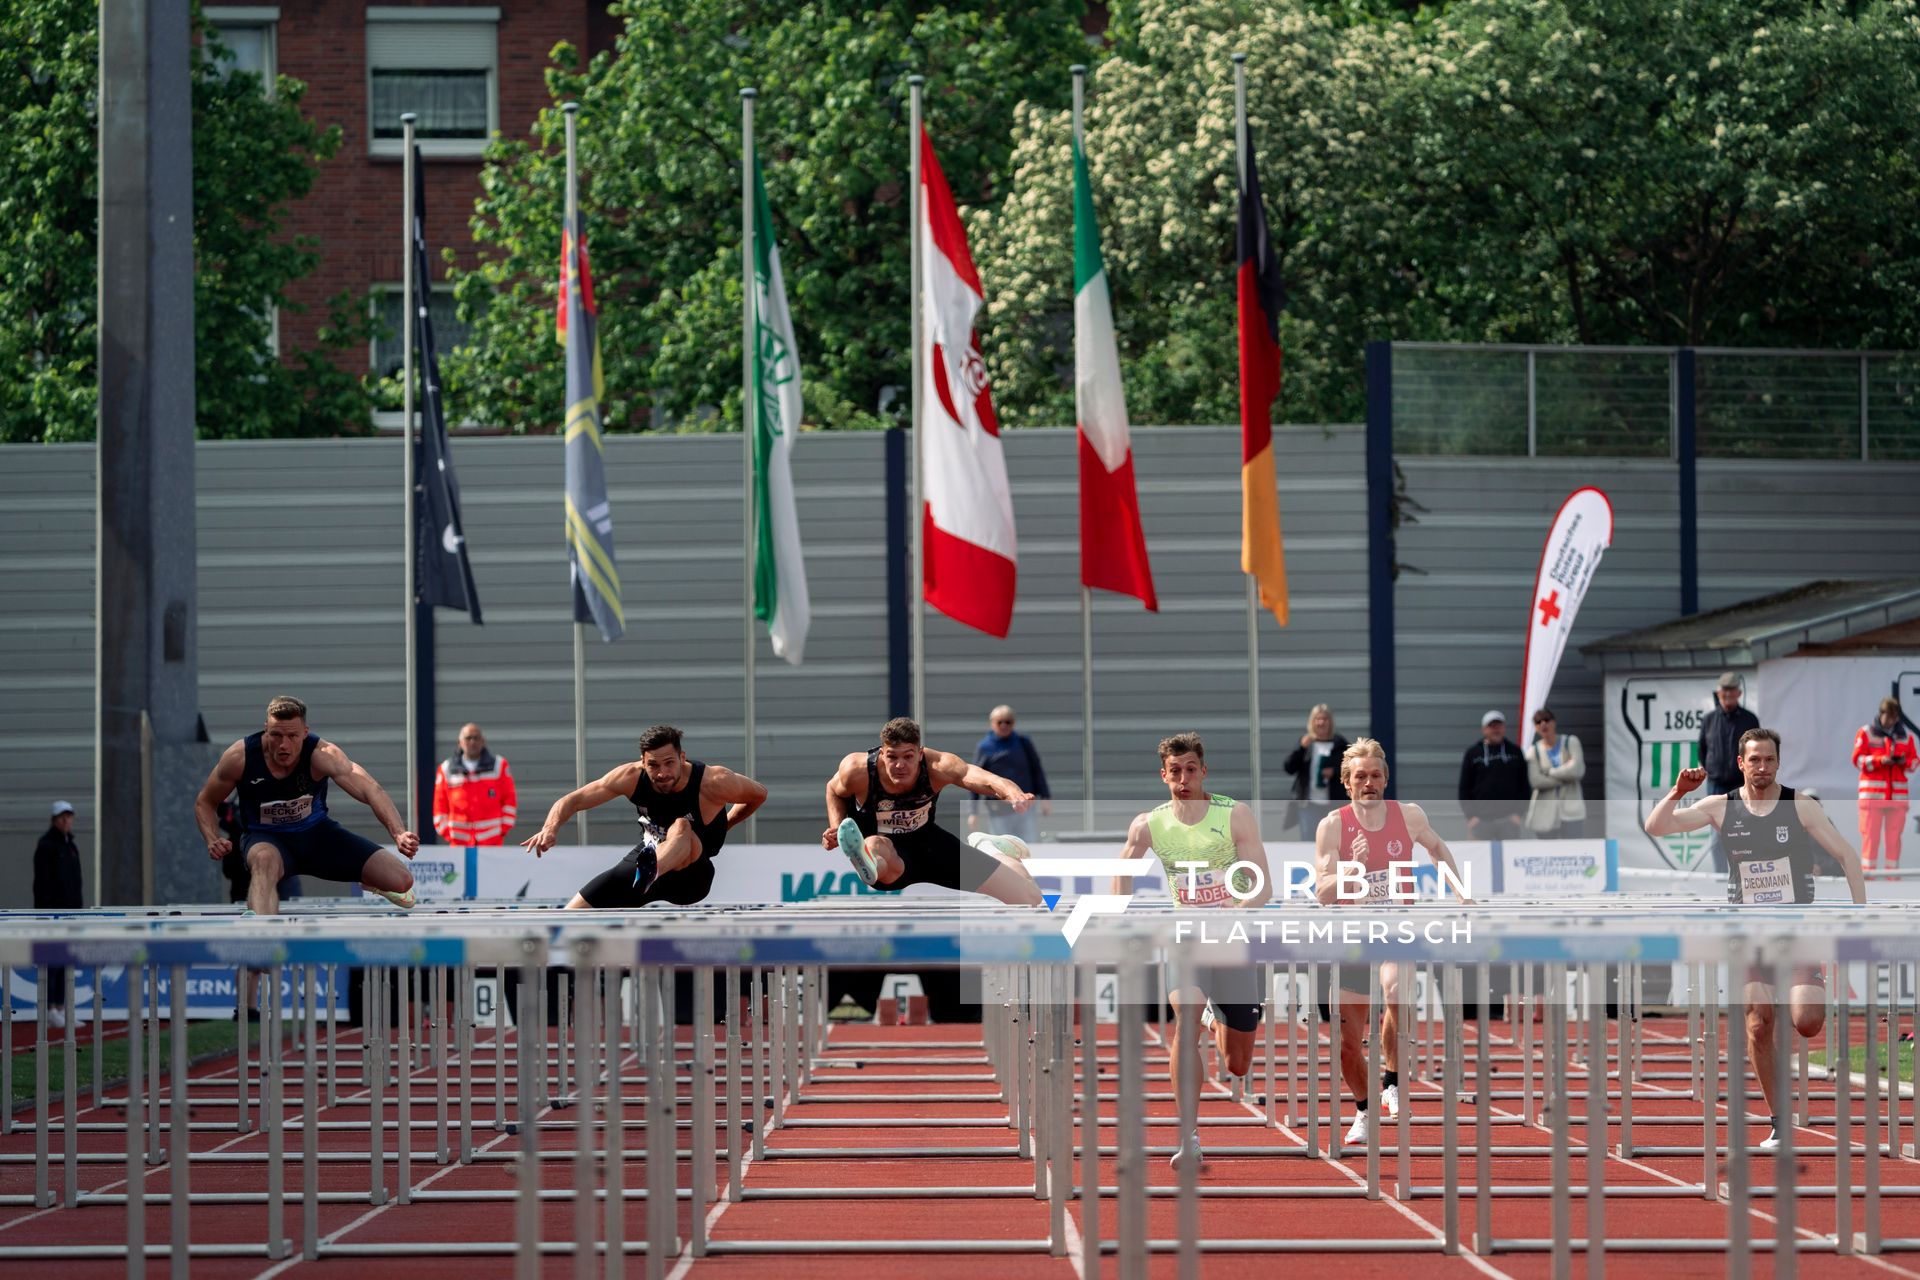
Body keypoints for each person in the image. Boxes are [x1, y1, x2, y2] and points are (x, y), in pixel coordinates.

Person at [1645, 728, 1866, 1151]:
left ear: (1777, 763)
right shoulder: (1720, 807)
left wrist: (1861, 919)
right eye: (1755, 760)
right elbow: (1656, 827)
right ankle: (1780, 1122)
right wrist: (1676, 792)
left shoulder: (1800, 805)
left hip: (1796, 934)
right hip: (1748, 937)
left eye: (1769, 759)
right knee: (1758, 1024)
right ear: (1740, 763)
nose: (1762, 767)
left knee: (1806, 1022)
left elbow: (1846, 856)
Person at [1110, 732, 1270, 1171]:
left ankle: (1219, 1019)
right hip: (1186, 940)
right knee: (1184, 1024)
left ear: (1204, 771)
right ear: (1163, 775)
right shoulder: (1149, 823)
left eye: (1190, 770)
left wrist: (1234, 911)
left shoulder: (1234, 814)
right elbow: (1121, 873)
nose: (1183, 778)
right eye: (1174, 771)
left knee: (1237, 1065)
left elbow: (1262, 885)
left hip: (1234, 939)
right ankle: (1189, 1136)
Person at [1317, 738, 1472, 1146]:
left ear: (1386, 779)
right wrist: (1353, 869)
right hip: (1351, 932)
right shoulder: (1333, 825)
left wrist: (1460, 893)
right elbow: (1322, 891)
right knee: (1347, 1045)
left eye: (1375, 776)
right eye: (1360, 777)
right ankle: (1365, 1112)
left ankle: (1393, 1081)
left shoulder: (1409, 815)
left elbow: (1437, 849)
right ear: (1347, 783)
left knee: (1394, 988)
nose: (1368, 783)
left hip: (1395, 927)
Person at [195, 696, 420, 916]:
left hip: (317, 836)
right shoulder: (240, 757)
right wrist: (212, 838)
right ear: (266, 730)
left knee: (401, 880)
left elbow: (371, 790)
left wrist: (399, 832)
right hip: (266, 839)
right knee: (264, 861)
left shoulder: (322, 754)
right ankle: (262, 938)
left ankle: (373, 883)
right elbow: (205, 801)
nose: (283, 745)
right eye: (276, 735)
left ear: (305, 732)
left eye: (292, 736)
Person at [523, 724, 767, 909]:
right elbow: (573, 800)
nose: (662, 773)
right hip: (647, 856)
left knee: (681, 826)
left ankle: (649, 873)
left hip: (691, 876)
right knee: (569, 916)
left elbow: (758, 794)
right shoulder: (630, 777)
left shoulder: (714, 782)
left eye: (669, 763)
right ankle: (556, 970)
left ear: (683, 758)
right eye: (653, 765)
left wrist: (727, 823)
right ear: (643, 762)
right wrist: (550, 828)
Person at [825, 716, 1045, 906]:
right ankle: (868, 863)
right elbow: (834, 790)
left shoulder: (937, 766)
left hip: (932, 847)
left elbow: (981, 777)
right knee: (875, 846)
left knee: (1029, 898)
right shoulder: (858, 770)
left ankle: (990, 849)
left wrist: (1012, 793)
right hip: (890, 855)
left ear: (920, 754)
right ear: (882, 754)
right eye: (892, 757)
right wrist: (836, 827)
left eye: (908, 756)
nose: (900, 765)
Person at [1697, 672, 1760, 872]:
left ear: (1739, 693)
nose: (1728, 694)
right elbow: (1702, 750)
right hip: (1715, 785)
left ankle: (1743, 875)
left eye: (1732, 690)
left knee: (1743, 831)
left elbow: (1757, 751)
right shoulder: (1709, 720)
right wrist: (1712, 769)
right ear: (1718, 692)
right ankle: (1720, 878)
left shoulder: (1750, 719)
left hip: (1741, 785)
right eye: (1725, 690)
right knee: (1716, 834)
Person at [967, 705, 1051, 844]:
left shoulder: (1024, 743)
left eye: (1008, 722)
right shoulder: (985, 747)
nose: (1004, 725)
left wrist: (1045, 797)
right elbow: (974, 778)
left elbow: (1037, 770)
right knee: (1003, 848)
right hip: (999, 810)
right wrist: (973, 812)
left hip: (1025, 807)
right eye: (1000, 722)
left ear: (1014, 723)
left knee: (1027, 846)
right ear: (992, 723)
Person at [32, 802, 84, 1027]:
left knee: (65, 962)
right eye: (62, 817)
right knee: (52, 962)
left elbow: (77, 883)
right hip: (52, 915)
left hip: (70, 915)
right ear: (54, 819)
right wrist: (47, 913)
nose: (66, 821)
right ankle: (49, 1007)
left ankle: (62, 1008)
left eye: (69, 817)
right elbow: (41, 884)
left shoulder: (71, 846)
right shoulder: (46, 846)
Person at [1852, 696, 1916, 875]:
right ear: (1881, 714)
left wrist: (1903, 762)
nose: (1891, 721)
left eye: (1895, 718)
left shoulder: (1906, 737)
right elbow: (1857, 760)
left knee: (1894, 843)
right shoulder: (1866, 733)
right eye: (1889, 717)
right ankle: (1867, 885)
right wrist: (1881, 760)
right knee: (1870, 842)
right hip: (1872, 799)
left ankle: (1892, 882)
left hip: (1897, 800)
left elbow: (1914, 763)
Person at [432, 723, 519, 847]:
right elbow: (439, 805)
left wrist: (502, 829)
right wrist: (447, 833)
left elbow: (509, 799)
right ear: (460, 742)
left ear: (483, 741)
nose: (472, 742)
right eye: (468, 738)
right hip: (458, 842)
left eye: (476, 738)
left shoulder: (499, 766)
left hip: (491, 842)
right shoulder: (446, 769)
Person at [1458, 711, 1529, 841]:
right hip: (1481, 821)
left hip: (1509, 821)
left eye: (1499, 725)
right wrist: (1471, 816)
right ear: (1484, 729)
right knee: (1479, 859)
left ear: (1504, 728)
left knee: (1509, 858)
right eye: (1492, 726)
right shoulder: (1473, 753)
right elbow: (1464, 788)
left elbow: (1524, 786)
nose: (1496, 729)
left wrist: (1519, 814)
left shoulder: (1515, 752)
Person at [1283, 704, 1349, 839]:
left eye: (1325, 719)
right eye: (1317, 719)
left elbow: (1352, 767)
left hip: (1334, 803)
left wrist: (1335, 772)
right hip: (1309, 803)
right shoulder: (1306, 744)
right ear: (1312, 722)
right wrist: (1301, 748)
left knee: (1334, 840)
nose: (1321, 722)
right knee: (1309, 840)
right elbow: (1289, 768)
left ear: (1330, 722)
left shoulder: (1340, 744)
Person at [1524, 707, 1588, 838]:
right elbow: (1536, 780)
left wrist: (1549, 772)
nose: (1543, 724)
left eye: (1547, 720)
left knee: (1573, 851)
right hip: (1545, 815)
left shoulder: (1570, 742)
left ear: (1554, 722)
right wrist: (1566, 775)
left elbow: (1577, 770)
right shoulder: (1534, 750)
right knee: (1548, 853)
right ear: (1535, 727)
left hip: (1571, 812)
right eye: (1538, 722)